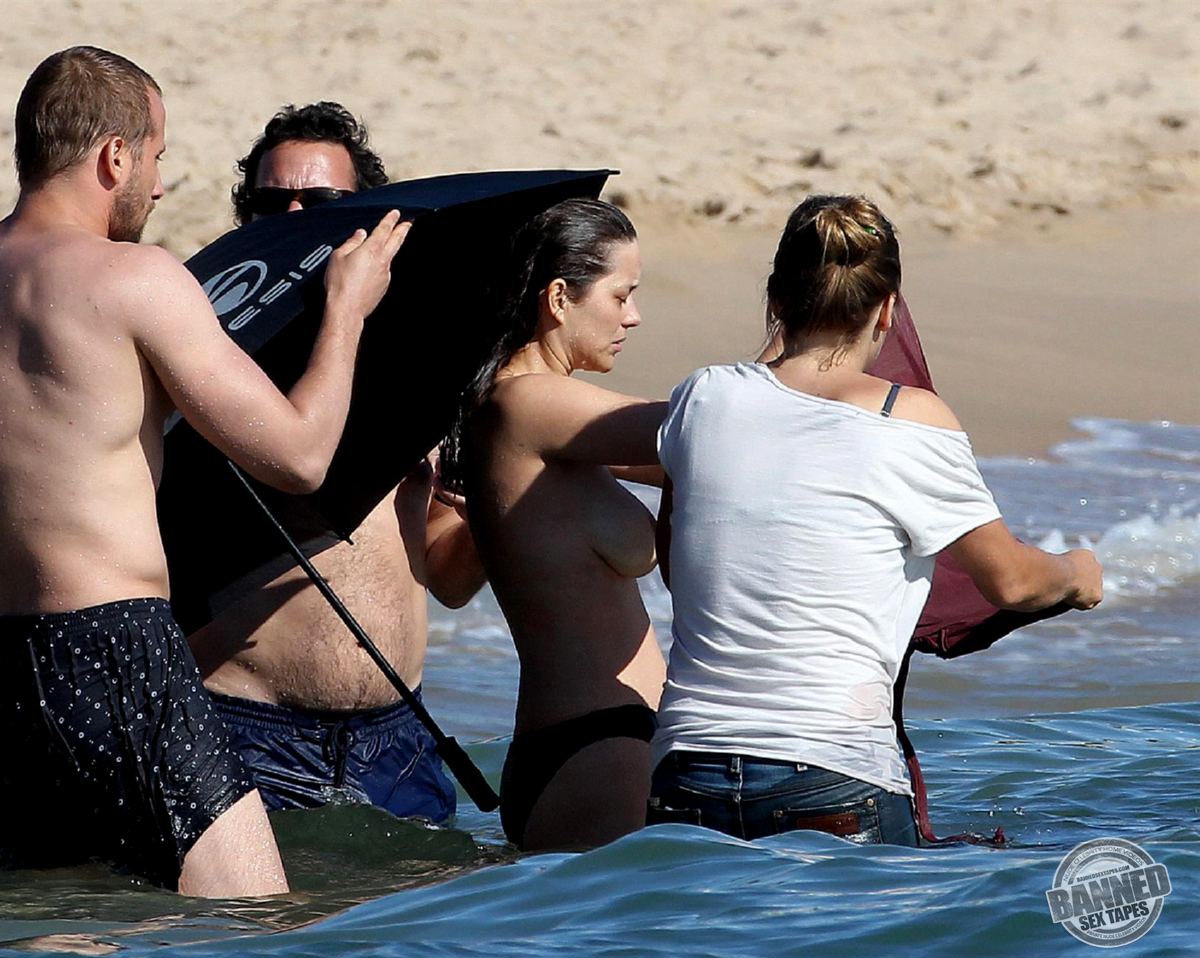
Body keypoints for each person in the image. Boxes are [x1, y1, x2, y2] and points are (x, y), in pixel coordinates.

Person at [0, 49, 407, 895]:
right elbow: (298, 458)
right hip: (113, 648)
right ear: (115, 155)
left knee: (60, 923)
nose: (156, 187)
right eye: (156, 157)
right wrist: (346, 313)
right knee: (254, 912)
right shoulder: (136, 279)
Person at [647, 195, 1104, 846]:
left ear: (775, 298)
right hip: (832, 772)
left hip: (685, 769)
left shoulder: (702, 395)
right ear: (888, 309)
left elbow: (677, 565)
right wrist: (1078, 573)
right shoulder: (910, 420)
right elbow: (1011, 582)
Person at [189, 103, 485, 825]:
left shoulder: (419, 365)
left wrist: (483, 514)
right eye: (273, 202)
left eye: (319, 200)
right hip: (250, 728)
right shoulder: (215, 348)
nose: (295, 214)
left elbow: (448, 579)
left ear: (369, 215)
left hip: (399, 736)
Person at [450, 197, 667, 852]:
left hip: (591, 743)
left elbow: (692, 460)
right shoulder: (528, 401)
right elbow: (703, 429)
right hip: (596, 747)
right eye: (620, 295)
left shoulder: (543, 421)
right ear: (559, 298)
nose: (633, 315)